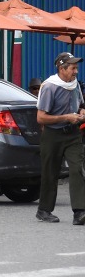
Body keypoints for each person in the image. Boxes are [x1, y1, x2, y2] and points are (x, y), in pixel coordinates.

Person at [36, 52, 85, 223]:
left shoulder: (75, 84)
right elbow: (41, 118)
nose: (76, 71)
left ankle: (80, 212)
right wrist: (66, 117)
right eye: (73, 68)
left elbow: (80, 105)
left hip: (73, 133)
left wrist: (81, 112)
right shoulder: (49, 87)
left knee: (77, 169)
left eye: (76, 68)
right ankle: (44, 210)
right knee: (50, 172)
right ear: (61, 69)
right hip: (52, 135)